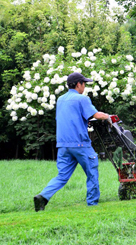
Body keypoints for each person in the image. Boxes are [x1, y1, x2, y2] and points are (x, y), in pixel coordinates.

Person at [34, 72, 112, 211]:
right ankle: (92, 204)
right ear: (78, 84)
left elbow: (70, 118)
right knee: (92, 170)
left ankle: (43, 197)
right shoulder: (82, 99)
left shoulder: (61, 100)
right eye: (84, 84)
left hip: (63, 145)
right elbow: (97, 115)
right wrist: (108, 116)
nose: (85, 87)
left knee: (62, 176)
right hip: (80, 144)